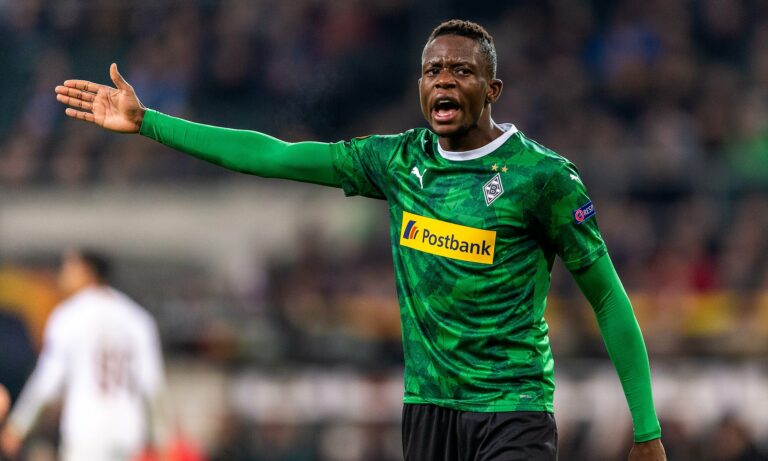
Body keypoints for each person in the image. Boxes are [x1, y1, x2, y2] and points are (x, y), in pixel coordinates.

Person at [54, 19, 666, 461]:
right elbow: (274, 156)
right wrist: (149, 122)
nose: (443, 81)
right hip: (427, 408)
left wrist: (646, 430)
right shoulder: (396, 161)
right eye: (432, 70)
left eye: (461, 70)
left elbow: (607, 298)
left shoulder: (543, 178)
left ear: (492, 90)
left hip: (514, 407)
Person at [0, 249, 168, 461]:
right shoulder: (137, 319)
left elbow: (47, 380)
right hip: (127, 430)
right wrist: (162, 436)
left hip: (86, 428)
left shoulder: (69, 315)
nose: (63, 275)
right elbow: (152, 383)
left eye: (70, 267)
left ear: (87, 271)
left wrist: (19, 425)